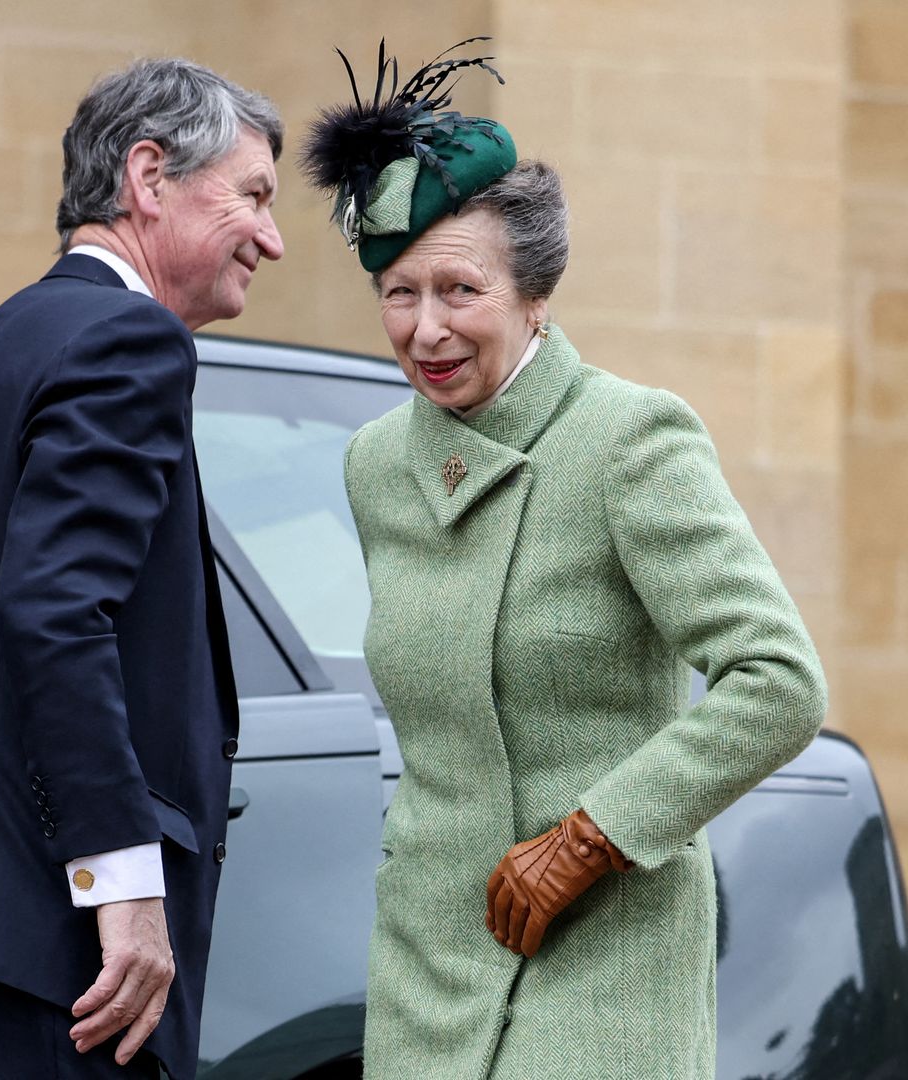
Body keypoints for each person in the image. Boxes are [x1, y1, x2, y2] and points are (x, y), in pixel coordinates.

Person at [302, 39, 826, 1080]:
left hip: (605, 960)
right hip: (428, 967)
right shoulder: (375, 466)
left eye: (460, 290)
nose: (426, 329)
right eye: (400, 294)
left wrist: (591, 838)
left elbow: (779, 682)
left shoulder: (630, 441)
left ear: (537, 296)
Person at [0, 58, 283, 1080]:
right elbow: (53, 607)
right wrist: (122, 883)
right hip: (49, 942)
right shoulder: (130, 341)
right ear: (149, 176)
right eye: (251, 196)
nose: (272, 237)